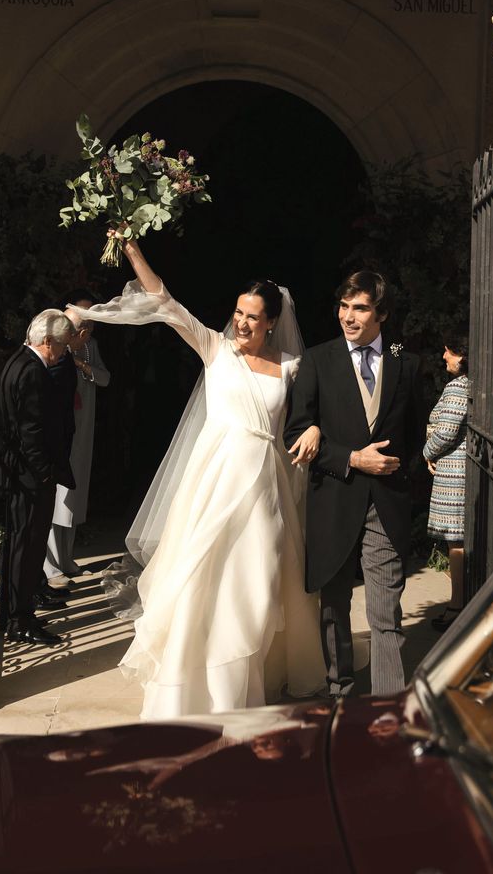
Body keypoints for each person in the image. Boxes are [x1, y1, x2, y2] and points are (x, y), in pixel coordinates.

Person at [71, 239, 325, 718]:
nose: (243, 323)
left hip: (265, 490)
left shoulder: (292, 368)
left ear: (272, 321)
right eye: (239, 313)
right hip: (214, 485)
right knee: (200, 581)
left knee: (255, 584)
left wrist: (311, 426)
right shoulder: (214, 348)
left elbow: (309, 415)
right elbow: (164, 302)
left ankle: (243, 684)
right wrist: (131, 249)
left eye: (253, 316)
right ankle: (186, 689)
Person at [283, 271, 426, 698]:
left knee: (386, 614)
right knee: (334, 608)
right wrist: (350, 457)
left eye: (360, 308)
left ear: (381, 313)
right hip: (333, 501)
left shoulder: (407, 361)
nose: (348, 316)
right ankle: (339, 692)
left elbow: (418, 433)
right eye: (344, 306)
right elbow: (295, 433)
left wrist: (402, 476)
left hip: (386, 503)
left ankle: (388, 706)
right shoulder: (318, 359)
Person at [0, 309, 76, 646]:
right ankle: (20, 621)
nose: (62, 354)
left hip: (21, 475)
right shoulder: (32, 372)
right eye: (61, 347)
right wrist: (44, 475)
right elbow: (31, 431)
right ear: (46, 342)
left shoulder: (17, 361)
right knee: (26, 550)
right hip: (30, 479)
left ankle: (9, 614)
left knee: (20, 548)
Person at [44, 292, 111, 586]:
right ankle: (50, 565)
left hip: (82, 429)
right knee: (54, 495)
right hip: (58, 430)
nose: (81, 332)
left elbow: (106, 378)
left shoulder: (89, 348)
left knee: (74, 492)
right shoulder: (51, 346)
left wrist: (83, 364)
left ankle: (66, 558)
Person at [423, 332, 469, 631]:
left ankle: (458, 606)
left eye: (448, 351)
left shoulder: (458, 388)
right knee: (458, 542)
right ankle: (460, 602)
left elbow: (445, 431)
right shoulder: (470, 385)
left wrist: (426, 451)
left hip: (454, 474)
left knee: (456, 544)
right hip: (457, 469)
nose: (444, 357)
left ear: (462, 355)